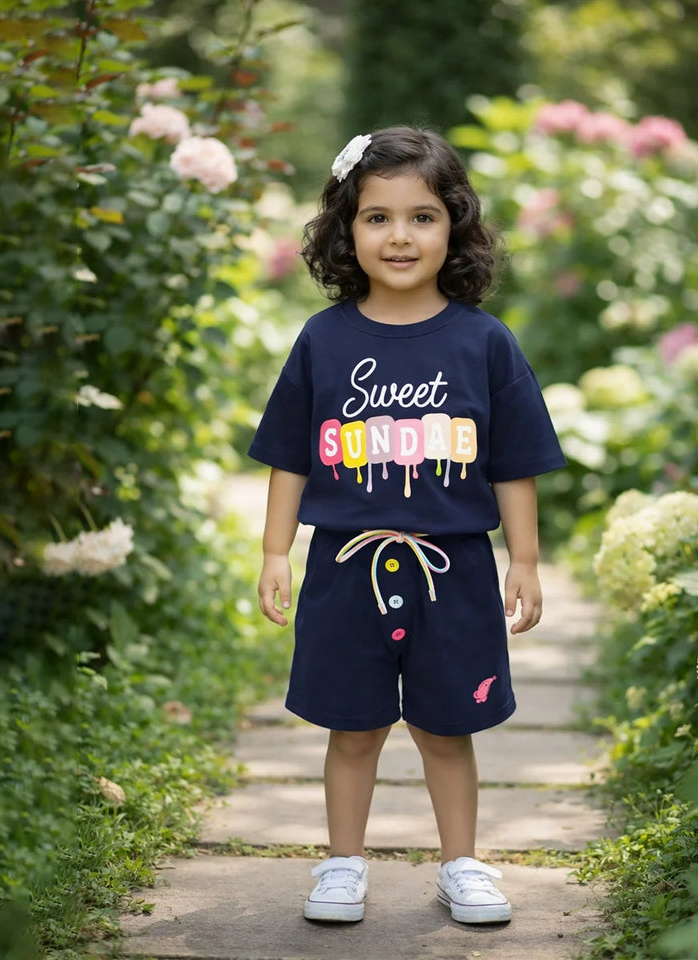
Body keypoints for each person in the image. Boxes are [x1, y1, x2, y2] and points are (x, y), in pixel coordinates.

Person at [248, 126, 566, 926]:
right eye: (377, 217)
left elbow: (513, 462)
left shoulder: (484, 342)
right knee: (352, 727)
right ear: (344, 230)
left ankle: (461, 863)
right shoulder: (323, 339)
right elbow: (289, 456)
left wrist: (523, 560)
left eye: (421, 217)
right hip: (344, 570)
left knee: (445, 727)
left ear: (454, 225)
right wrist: (274, 551)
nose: (399, 236)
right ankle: (341, 865)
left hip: (452, 570)